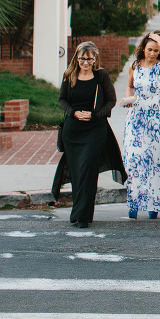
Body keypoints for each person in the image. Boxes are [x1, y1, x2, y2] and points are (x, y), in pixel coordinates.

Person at [57, 42, 124, 228]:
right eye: (81, 59)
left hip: (95, 130)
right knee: (77, 173)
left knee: (88, 170)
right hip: (73, 132)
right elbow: (61, 99)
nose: (85, 62)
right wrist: (73, 112)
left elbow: (111, 100)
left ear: (95, 59)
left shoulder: (100, 75)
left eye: (88, 59)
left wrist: (95, 115)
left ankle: (84, 216)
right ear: (76, 58)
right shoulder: (69, 75)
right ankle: (77, 213)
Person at [122, 31, 160, 220]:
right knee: (135, 160)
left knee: (154, 161)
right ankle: (134, 202)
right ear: (143, 49)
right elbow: (130, 86)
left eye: (156, 50)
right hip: (136, 116)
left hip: (155, 118)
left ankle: (153, 203)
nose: (152, 53)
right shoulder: (134, 66)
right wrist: (129, 98)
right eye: (149, 49)